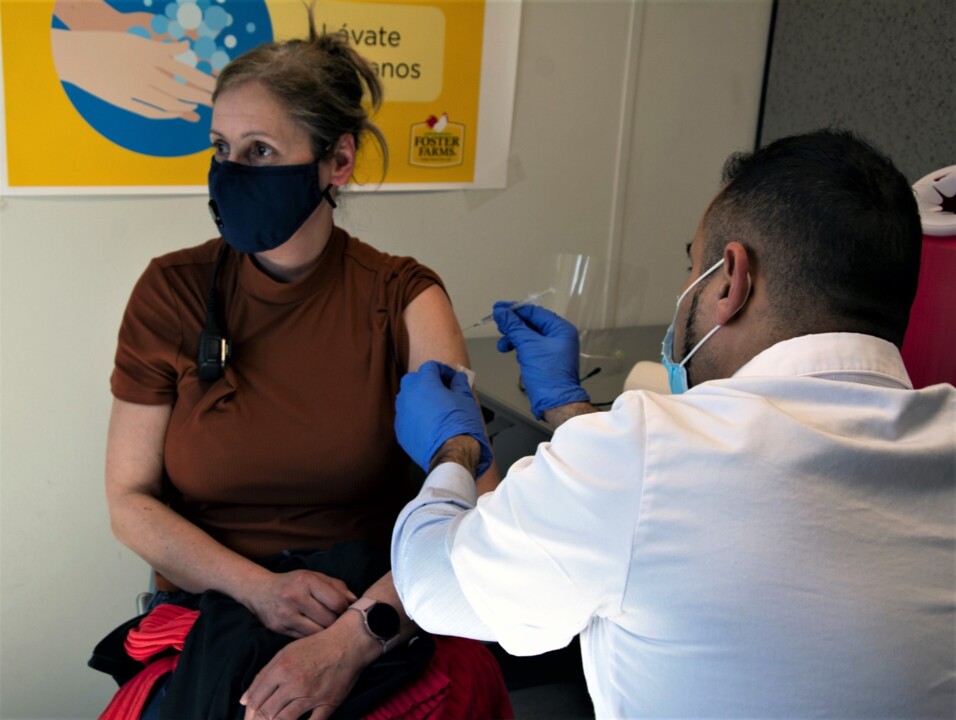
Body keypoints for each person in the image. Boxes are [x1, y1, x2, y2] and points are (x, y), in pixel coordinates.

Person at [390, 129, 956, 718]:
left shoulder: (639, 452)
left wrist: (452, 450)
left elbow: (434, 586)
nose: (685, 290)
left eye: (692, 267)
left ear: (731, 280)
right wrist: (569, 412)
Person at [100, 10, 506, 720]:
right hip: (213, 609)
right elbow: (129, 501)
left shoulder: (406, 298)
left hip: (376, 613)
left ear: (336, 162)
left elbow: (479, 498)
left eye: (259, 151)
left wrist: (355, 639)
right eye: (221, 148)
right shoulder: (172, 290)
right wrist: (259, 589)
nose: (231, 173)